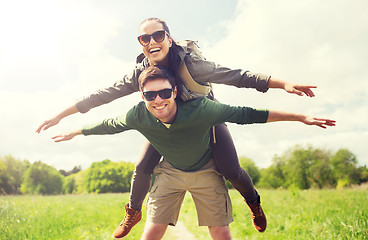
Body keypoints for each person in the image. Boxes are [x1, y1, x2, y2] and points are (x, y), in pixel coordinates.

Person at [37, 17, 318, 237]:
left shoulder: (193, 66)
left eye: (157, 35)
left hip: (203, 116)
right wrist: (62, 116)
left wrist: (283, 84)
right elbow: (103, 95)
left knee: (230, 169)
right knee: (142, 166)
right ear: (141, 44)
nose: (151, 41)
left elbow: (238, 76)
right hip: (165, 119)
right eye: (144, 38)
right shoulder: (140, 74)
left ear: (168, 39)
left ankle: (254, 203)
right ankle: (133, 212)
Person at [52, 66, 335, 240]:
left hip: (206, 170)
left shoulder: (202, 108)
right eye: (150, 95)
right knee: (151, 230)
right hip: (170, 172)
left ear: (175, 91)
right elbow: (108, 124)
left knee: (222, 225)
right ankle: (132, 212)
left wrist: (300, 117)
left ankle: (254, 203)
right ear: (142, 97)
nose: (158, 100)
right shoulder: (138, 114)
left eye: (163, 93)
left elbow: (248, 113)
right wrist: (75, 131)